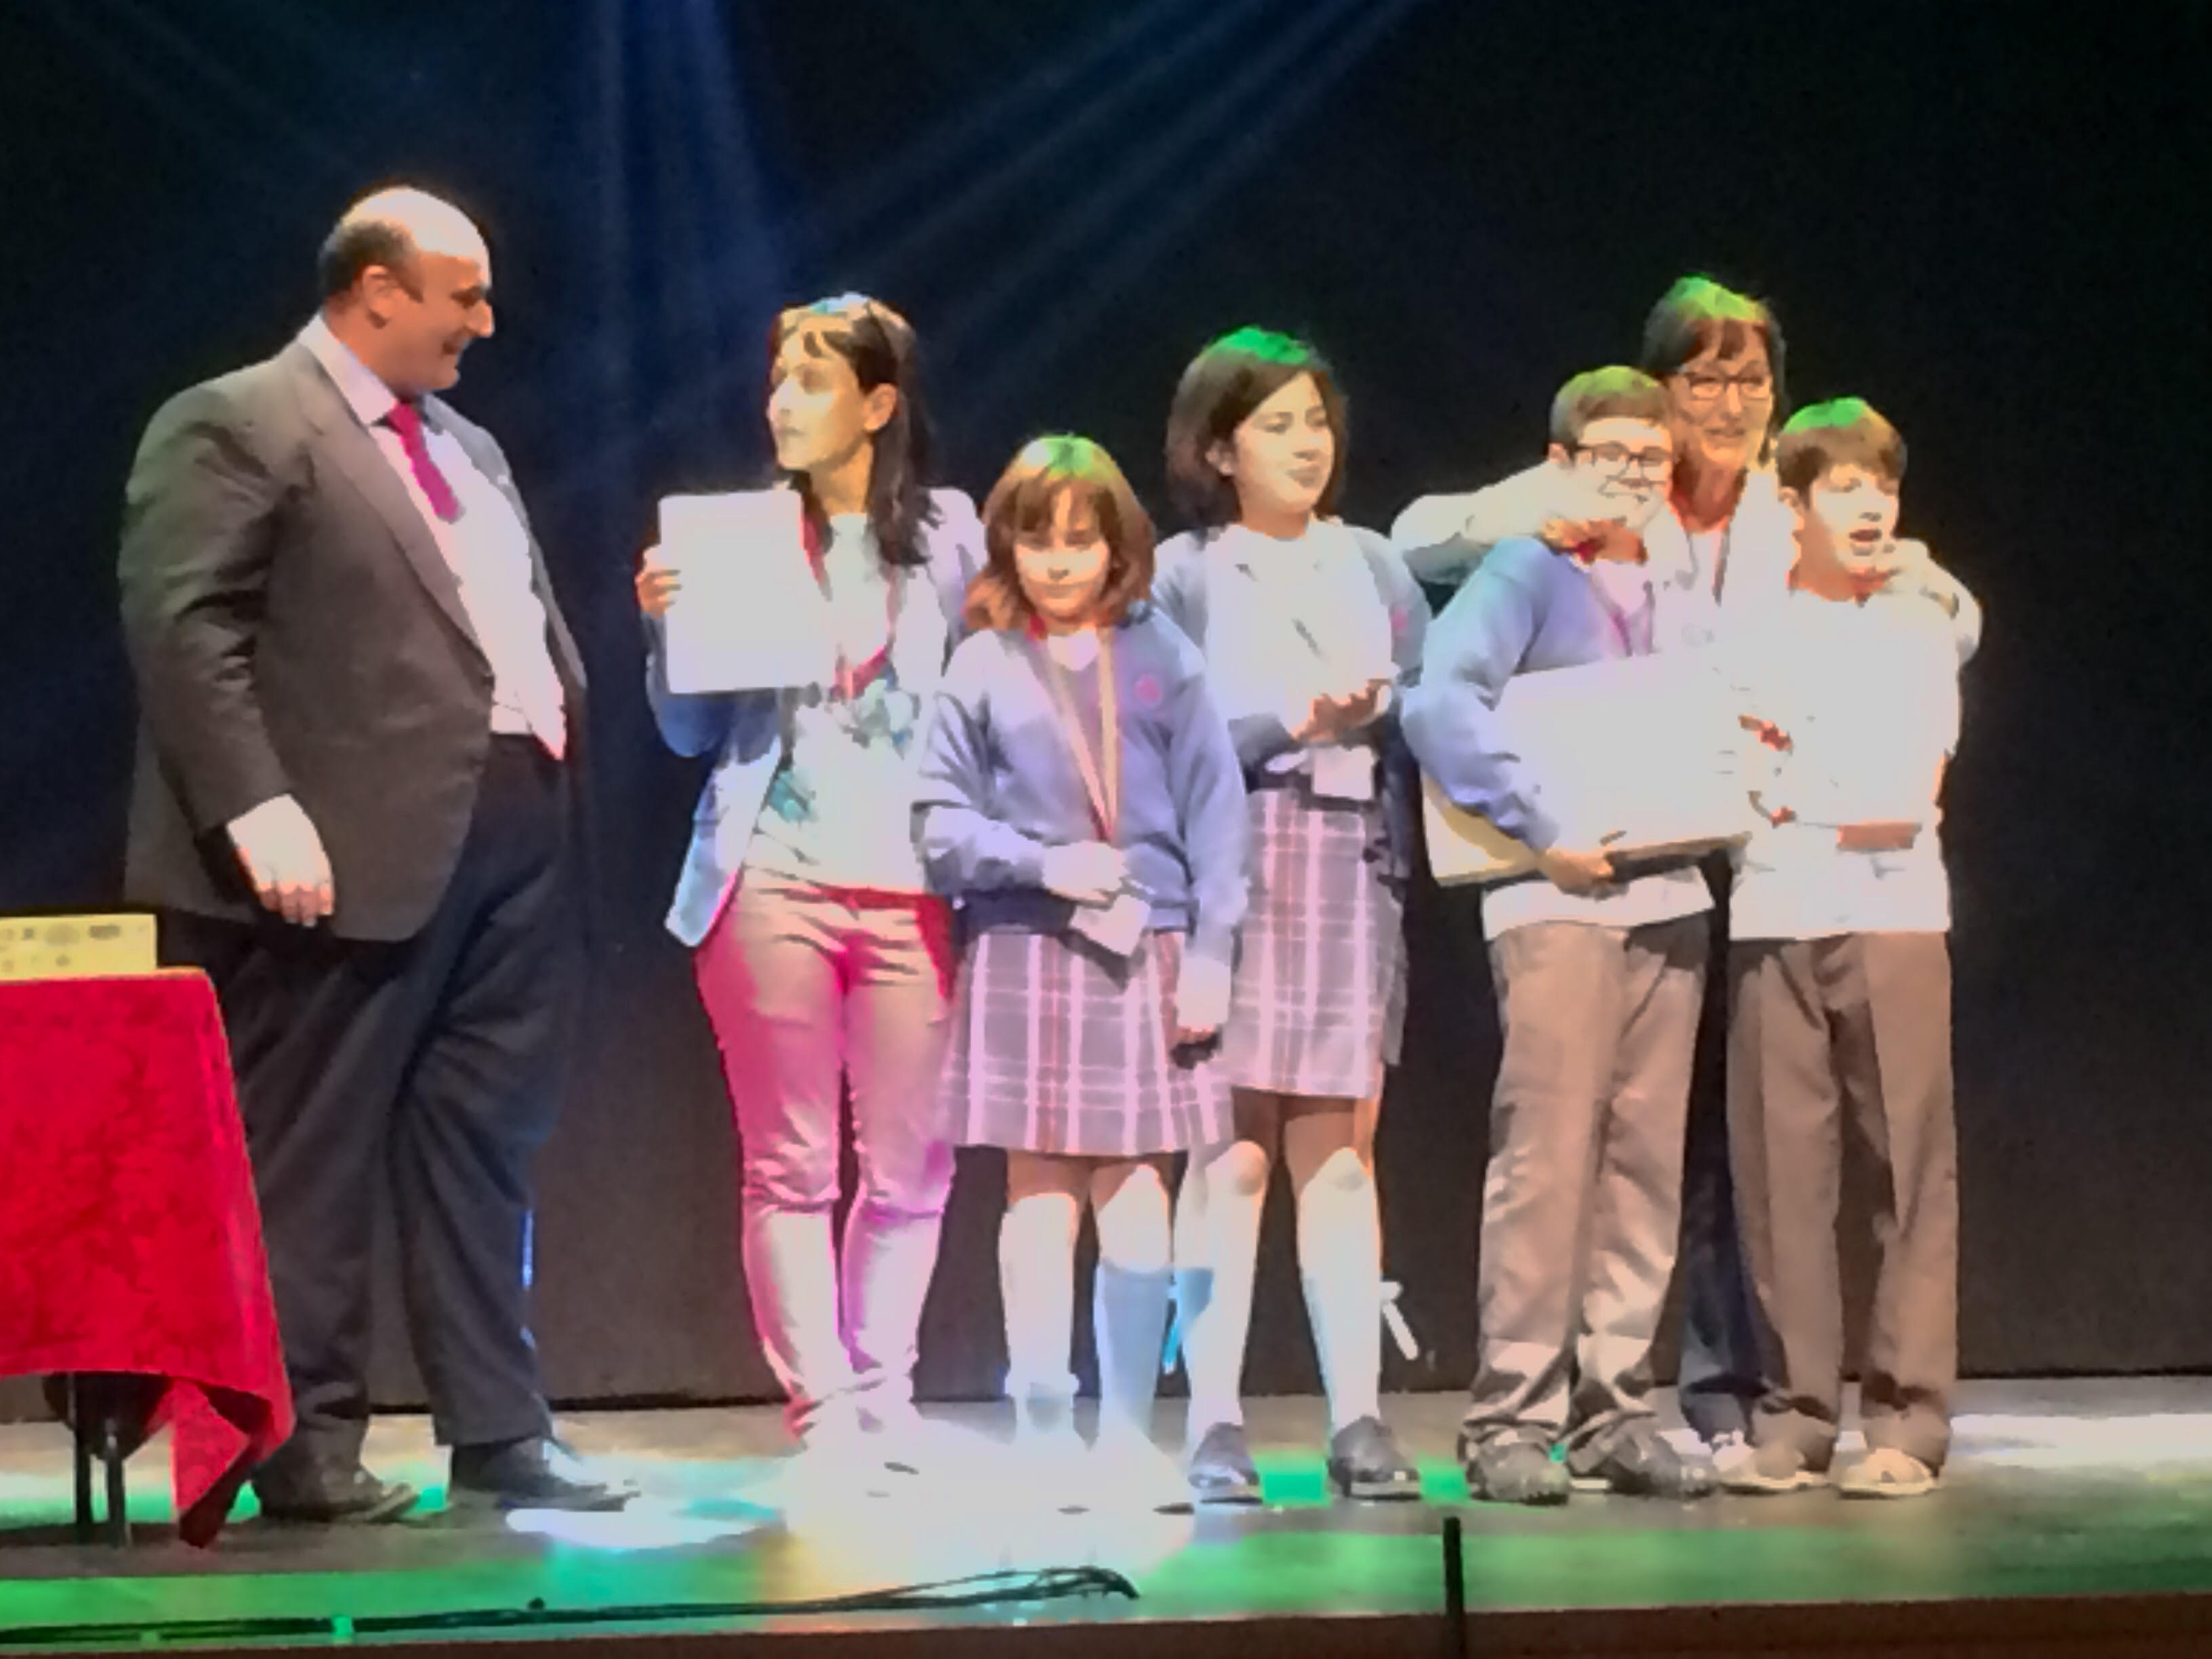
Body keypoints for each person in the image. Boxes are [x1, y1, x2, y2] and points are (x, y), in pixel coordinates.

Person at [1392, 276, 1981, 1460]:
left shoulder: (1784, 513)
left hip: (1727, 880)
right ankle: (1556, 1410)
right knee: (1575, 1148)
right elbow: (1426, 595)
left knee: (1667, 1157)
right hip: (1595, 879)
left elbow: (1925, 630)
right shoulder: (1561, 541)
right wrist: (1544, 507)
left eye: (1748, 379)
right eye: (1701, 379)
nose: (1726, 402)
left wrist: (1903, 581)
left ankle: (1647, 1402)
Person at [119, 187, 621, 1520]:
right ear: (378, 288)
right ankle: (301, 1443)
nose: (486, 321)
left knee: (482, 1141)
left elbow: (496, 624)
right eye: (464, 294)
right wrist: (255, 808)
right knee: (314, 1150)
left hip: (514, 834)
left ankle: (500, 1427)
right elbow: (185, 628)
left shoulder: (465, 442)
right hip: (338, 848)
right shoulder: (240, 418)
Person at [636, 295, 981, 1477]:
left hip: (914, 882)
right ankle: (823, 1408)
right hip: (769, 876)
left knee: (912, 1163)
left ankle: (887, 1387)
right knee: (789, 1164)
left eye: (815, 380)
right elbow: (687, 734)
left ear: (878, 406)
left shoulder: (950, 533)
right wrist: (664, 634)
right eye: (778, 377)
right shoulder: (738, 536)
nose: (783, 400)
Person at [1400, 368, 1719, 1504]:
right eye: (1612, 456)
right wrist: (1545, 829)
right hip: (1557, 896)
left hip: (1670, 894)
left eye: (1651, 458)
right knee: (1546, 1162)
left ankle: (1617, 1408)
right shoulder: (1526, 567)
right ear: (1563, 460)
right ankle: (1511, 1419)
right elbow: (1438, 704)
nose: (1634, 476)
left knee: (1644, 1160)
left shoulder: (1681, 585)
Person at [916, 436, 1248, 1511]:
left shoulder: (1162, 657)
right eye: (1037, 539)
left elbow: (1217, 817)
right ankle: (1045, 1426)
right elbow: (937, 823)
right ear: (1007, 544)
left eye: (1081, 540)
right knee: (1041, 1198)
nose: (1060, 563)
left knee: (1141, 1196)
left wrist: (1211, 955)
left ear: (1118, 545)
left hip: (1145, 948)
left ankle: (1127, 1436)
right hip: (1026, 944)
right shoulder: (982, 662)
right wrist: (1042, 862)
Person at [1150, 328, 1425, 1504]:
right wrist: (1286, 725)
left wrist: (1378, 713)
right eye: (1277, 425)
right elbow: (1157, 738)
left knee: (1341, 1156)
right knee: (1233, 1156)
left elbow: (1439, 700)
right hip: (1233, 870)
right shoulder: (1182, 573)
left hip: (1350, 864)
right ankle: (1213, 1423)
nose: (1307, 444)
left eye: (1317, 421)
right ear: (1220, 448)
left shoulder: (1370, 560)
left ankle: (1359, 1421)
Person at [1719, 400, 1963, 1499]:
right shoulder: (1748, 630)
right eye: (1846, 488)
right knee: (1781, 1174)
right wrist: (1794, 791)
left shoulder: (1919, 625)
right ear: (1793, 508)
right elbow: (1742, 775)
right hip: (1776, 914)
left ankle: (1908, 1420)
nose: (1871, 508)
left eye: (1884, 488)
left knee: (1908, 1168)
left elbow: (1902, 791)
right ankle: (1797, 1413)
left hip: (1898, 914)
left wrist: (1806, 788)